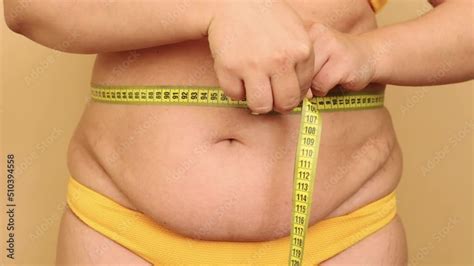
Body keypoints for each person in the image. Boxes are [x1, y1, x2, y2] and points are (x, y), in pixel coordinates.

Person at [4, 0, 473, 265]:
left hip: (343, 236)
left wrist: (371, 54)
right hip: (121, 234)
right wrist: (216, 11)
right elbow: (29, 8)